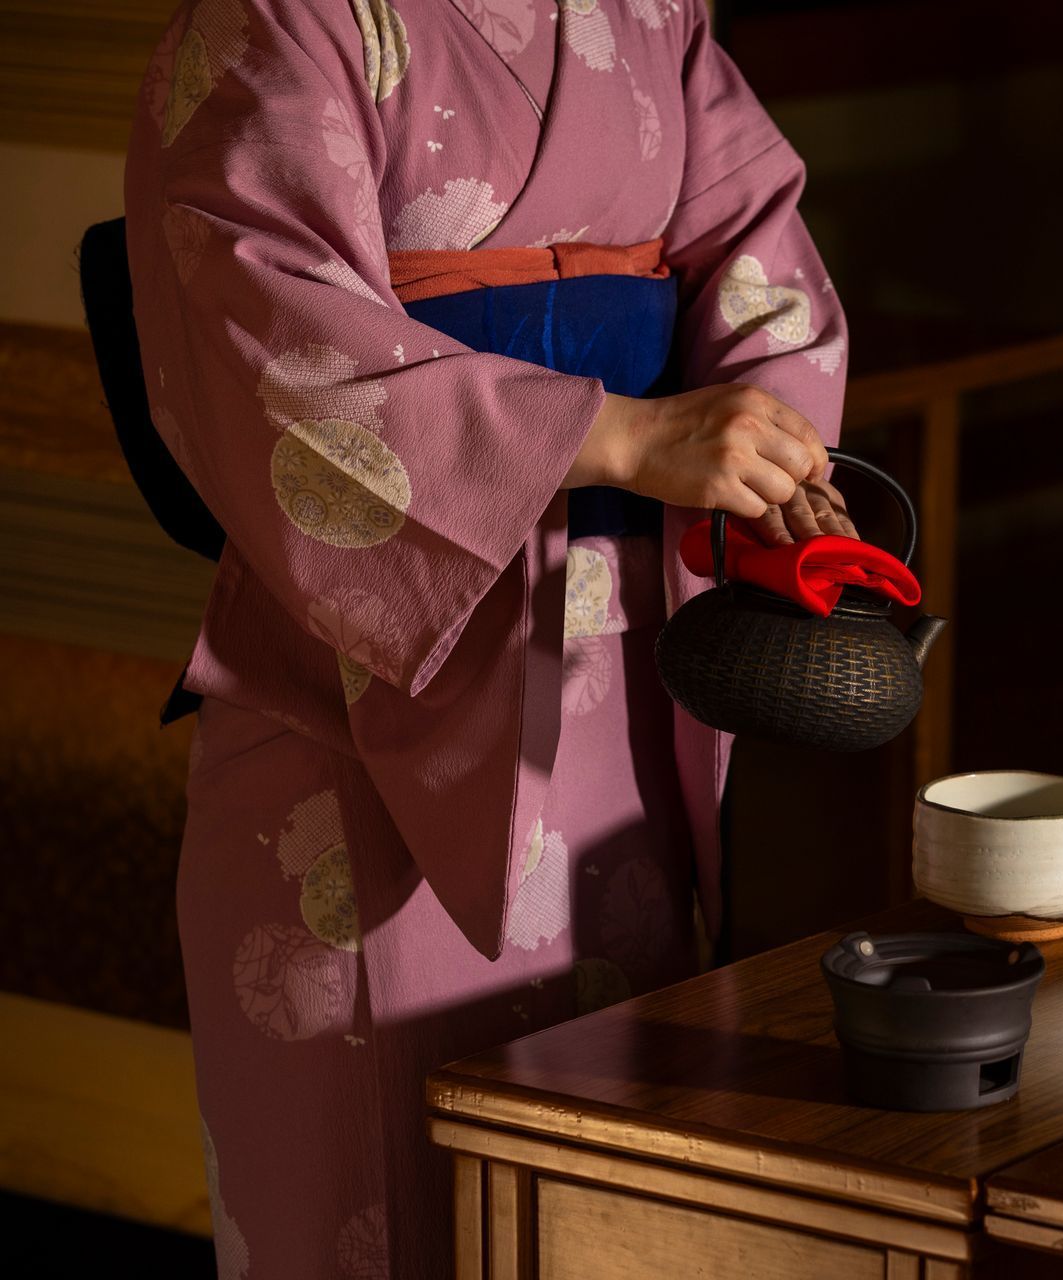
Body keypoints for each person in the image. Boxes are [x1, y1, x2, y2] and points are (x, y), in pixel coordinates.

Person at [123, 1, 849, 1274]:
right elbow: (259, 322)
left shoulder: (651, 15)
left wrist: (766, 448)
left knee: (610, 1192)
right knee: (373, 1202)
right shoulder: (284, 21)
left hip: (624, 675)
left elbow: (761, 260)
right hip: (363, 685)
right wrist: (622, 436)